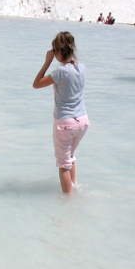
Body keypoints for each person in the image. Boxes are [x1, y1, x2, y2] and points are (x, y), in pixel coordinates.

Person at [32, 31, 90, 194]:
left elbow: (36, 84)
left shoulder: (60, 72)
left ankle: (67, 203)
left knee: (63, 163)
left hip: (65, 123)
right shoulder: (82, 68)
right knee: (70, 156)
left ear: (57, 52)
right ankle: (74, 187)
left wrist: (47, 62)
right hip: (83, 120)